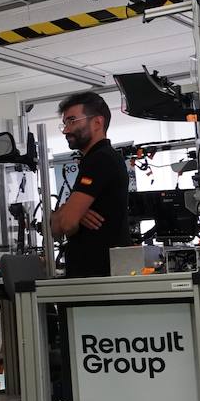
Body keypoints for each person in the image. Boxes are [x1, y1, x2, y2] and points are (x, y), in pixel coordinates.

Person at [51, 91, 129, 278]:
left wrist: (69, 213)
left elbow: (67, 224)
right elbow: (55, 228)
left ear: (97, 122)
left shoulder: (101, 160)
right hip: (93, 274)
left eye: (72, 121)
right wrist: (73, 212)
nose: (66, 130)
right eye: (65, 123)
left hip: (99, 277)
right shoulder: (93, 160)